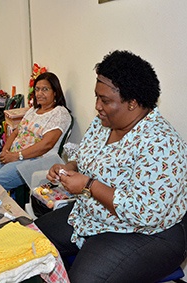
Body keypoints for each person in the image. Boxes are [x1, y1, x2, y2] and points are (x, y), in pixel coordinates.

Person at [35, 50, 187, 283]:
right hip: (95, 214)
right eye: (96, 97)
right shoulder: (104, 122)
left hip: (147, 233)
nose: (97, 106)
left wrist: (88, 185)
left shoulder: (161, 142)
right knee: (29, 240)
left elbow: (144, 213)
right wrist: (69, 167)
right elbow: (88, 157)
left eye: (105, 100)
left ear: (133, 103)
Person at [0, 72, 72, 191]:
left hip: (36, 160)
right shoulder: (33, 110)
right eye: (37, 89)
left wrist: (16, 156)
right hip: (14, 154)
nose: (39, 93)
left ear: (55, 92)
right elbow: (16, 132)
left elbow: (47, 144)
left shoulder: (60, 113)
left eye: (45, 89)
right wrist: (5, 151)